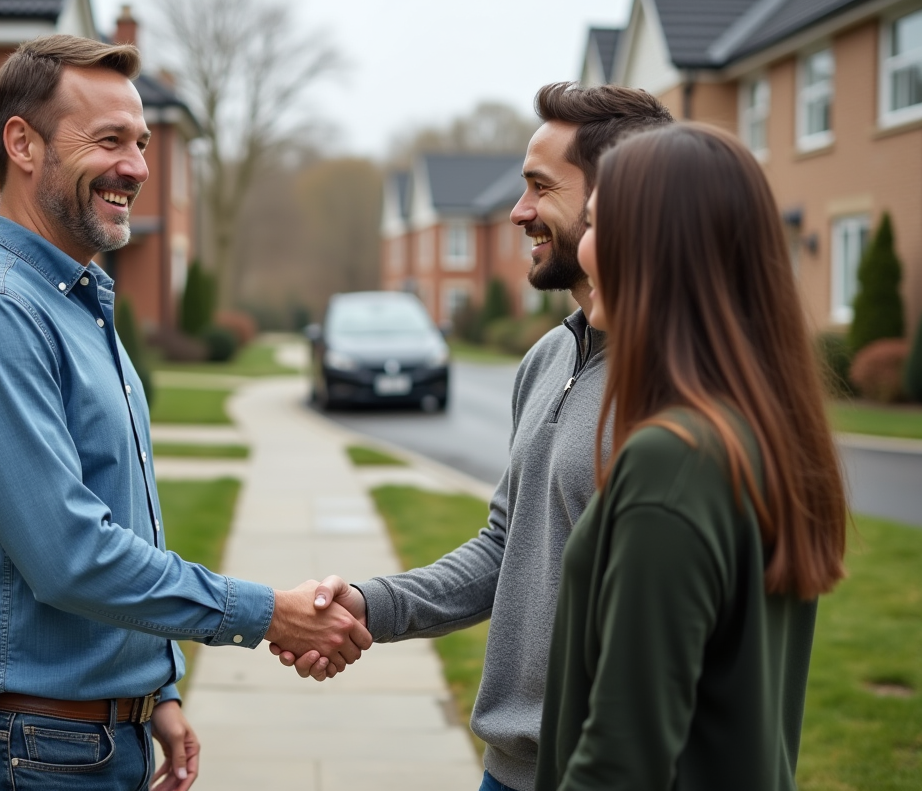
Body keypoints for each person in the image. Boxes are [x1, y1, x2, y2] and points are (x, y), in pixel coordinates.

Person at [0, 35, 371, 791]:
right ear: (21, 143)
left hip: (85, 739)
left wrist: (157, 688)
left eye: (144, 143)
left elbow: (119, 526)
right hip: (31, 752)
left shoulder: (75, 306)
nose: (139, 167)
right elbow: (70, 557)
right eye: (110, 140)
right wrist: (266, 614)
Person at [272, 83, 673, 791]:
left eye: (539, 188)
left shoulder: (674, 387)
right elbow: (506, 545)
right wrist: (371, 604)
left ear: (619, 199)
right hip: (509, 769)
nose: (518, 212)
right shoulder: (547, 360)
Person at [534, 123, 847, 790]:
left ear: (656, 249)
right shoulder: (764, 433)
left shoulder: (671, 464)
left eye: (596, 226)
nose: (584, 250)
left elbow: (622, 763)